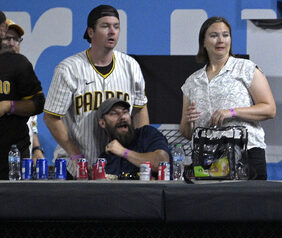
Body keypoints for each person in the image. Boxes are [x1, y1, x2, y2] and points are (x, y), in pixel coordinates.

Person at [43, 4, 148, 179]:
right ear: (91, 32)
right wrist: (77, 157)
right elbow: (51, 117)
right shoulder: (69, 69)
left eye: (116, 26)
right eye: (105, 26)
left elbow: (140, 108)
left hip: (120, 166)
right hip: (76, 166)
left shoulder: (131, 66)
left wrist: (140, 152)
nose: (112, 31)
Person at [180, 16, 276, 180]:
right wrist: (189, 121)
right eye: (214, 35)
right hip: (207, 158)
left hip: (246, 154)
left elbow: (269, 109)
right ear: (203, 42)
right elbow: (186, 132)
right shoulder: (192, 81)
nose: (220, 40)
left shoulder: (246, 68)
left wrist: (231, 112)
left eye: (225, 35)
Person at [0, 15, 45, 180]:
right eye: (7, 38)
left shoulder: (22, 67)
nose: (11, 43)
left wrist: (8, 106)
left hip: (13, 150)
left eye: (16, 39)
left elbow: (36, 107)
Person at [97, 97, 170, 179]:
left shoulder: (146, 134)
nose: (122, 117)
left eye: (125, 112)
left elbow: (162, 162)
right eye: (114, 113)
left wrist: (123, 152)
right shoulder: (106, 159)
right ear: (102, 123)